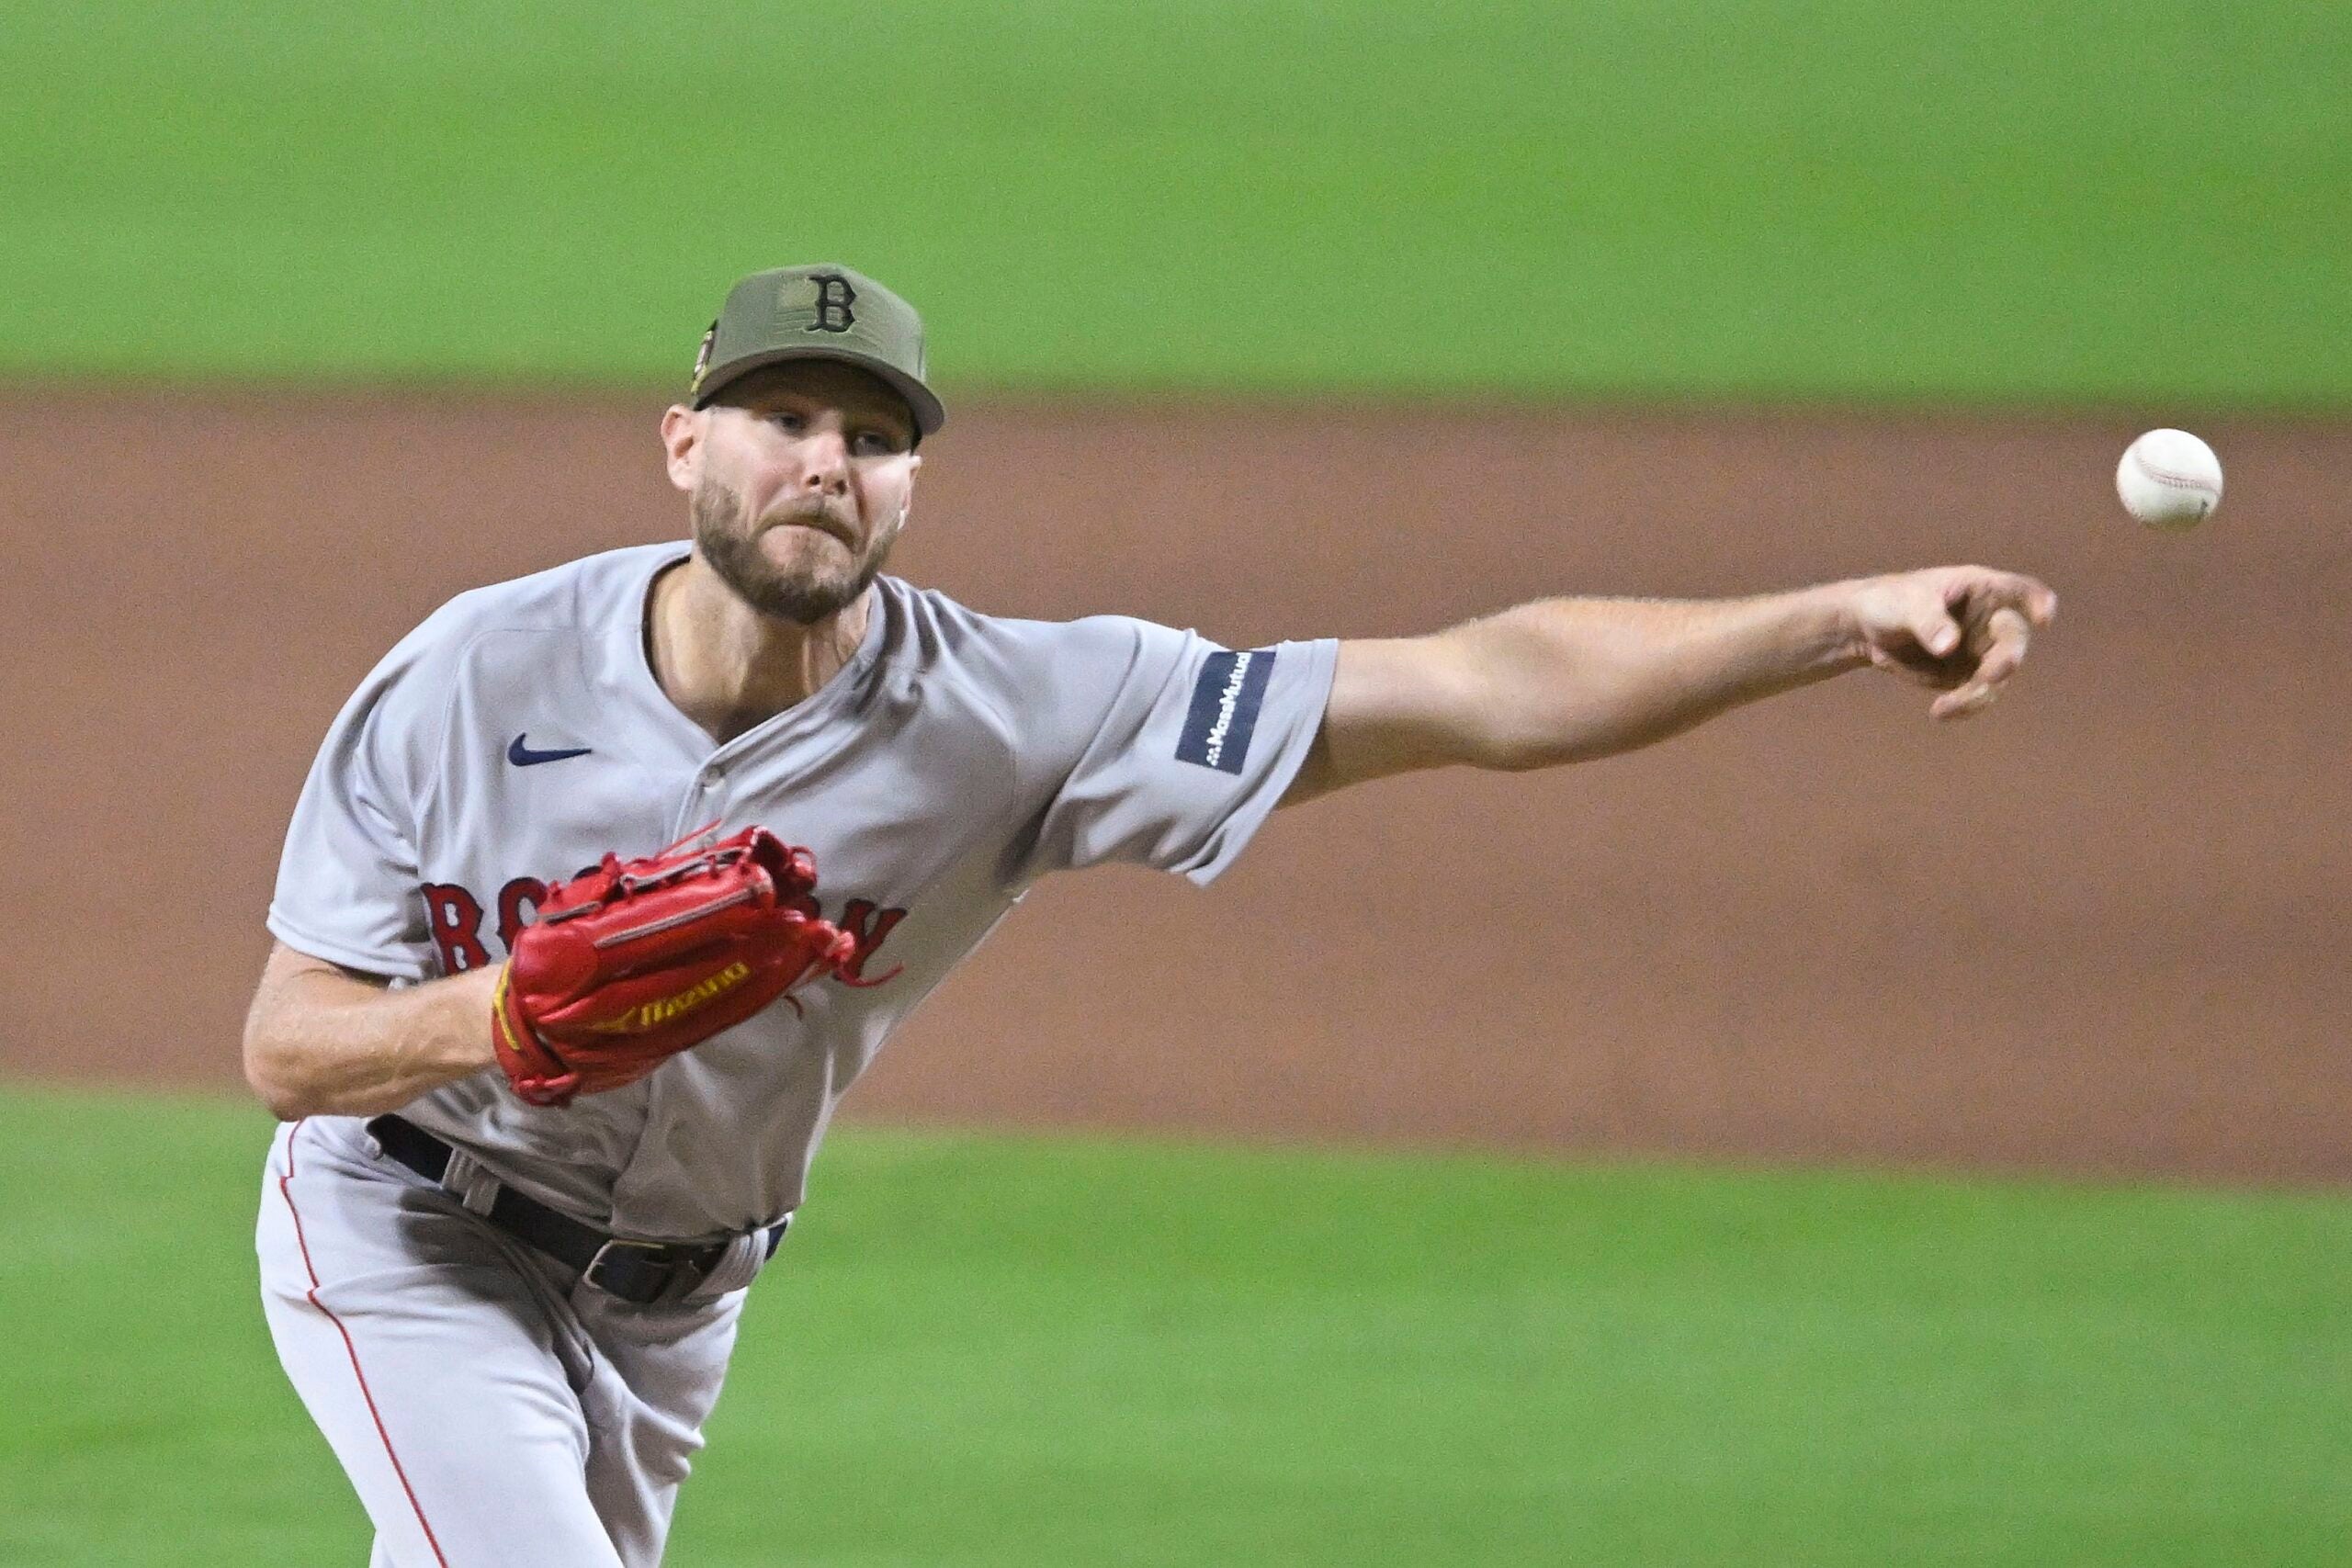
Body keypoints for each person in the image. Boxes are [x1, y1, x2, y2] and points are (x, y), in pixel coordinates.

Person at [245, 264, 2056, 1567]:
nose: (823, 458)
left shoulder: (1020, 708)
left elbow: (1481, 681)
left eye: (871, 434)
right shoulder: (469, 674)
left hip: (676, 1308)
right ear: (680, 445)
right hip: (413, 1228)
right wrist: (502, 1014)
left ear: (910, 484)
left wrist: (1832, 616)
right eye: (781, 415)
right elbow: (286, 1046)